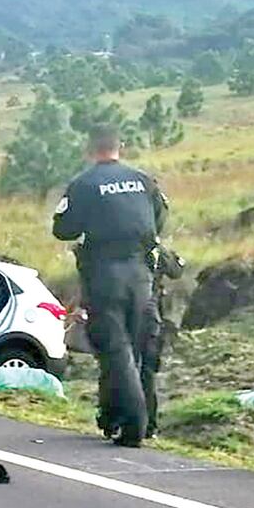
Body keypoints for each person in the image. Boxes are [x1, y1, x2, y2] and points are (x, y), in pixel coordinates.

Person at [53, 127, 168, 447]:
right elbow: (159, 222)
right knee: (140, 348)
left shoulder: (83, 184)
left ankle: (132, 424)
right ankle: (133, 421)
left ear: (90, 149)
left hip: (104, 275)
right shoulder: (144, 181)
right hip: (142, 276)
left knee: (114, 348)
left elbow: (63, 229)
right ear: (121, 147)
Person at [140, 243, 185, 438]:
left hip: (124, 314)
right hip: (149, 317)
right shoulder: (155, 247)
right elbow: (177, 270)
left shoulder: (115, 243)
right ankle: (149, 425)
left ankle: (116, 419)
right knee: (147, 372)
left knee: (119, 366)